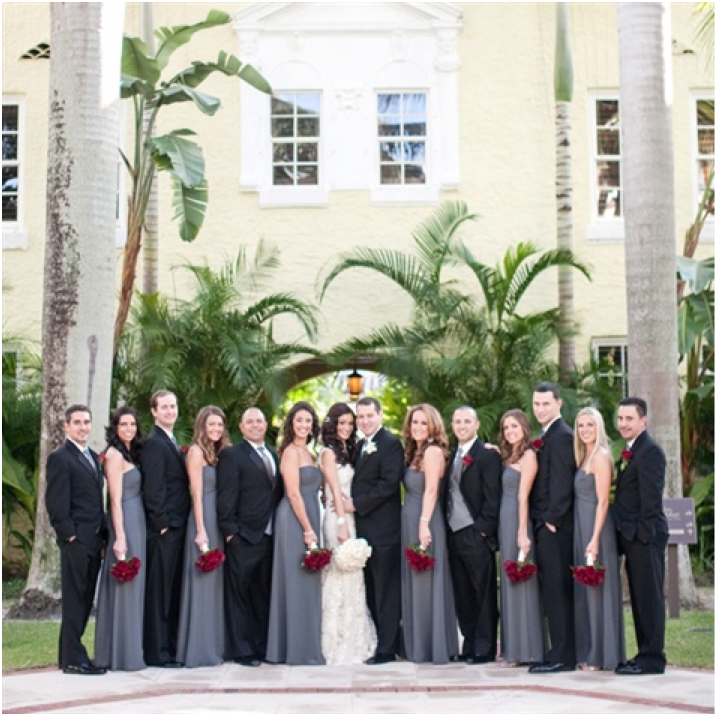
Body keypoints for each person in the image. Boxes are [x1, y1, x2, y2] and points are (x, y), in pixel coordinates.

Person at [217, 407, 283, 668]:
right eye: (250, 422)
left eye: (259, 421)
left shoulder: (273, 455)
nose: (255, 425)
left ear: (266, 425)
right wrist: (231, 533)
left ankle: (261, 646)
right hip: (243, 536)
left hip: (269, 536)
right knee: (239, 597)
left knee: (261, 595)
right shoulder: (232, 455)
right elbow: (226, 496)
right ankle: (242, 651)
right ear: (241, 427)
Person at [45, 404, 107, 675]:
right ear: (66, 426)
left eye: (86, 422)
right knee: (74, 600)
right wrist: (70, 536)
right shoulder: (60, 458)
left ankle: (69, 655)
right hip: (76, 542)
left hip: (94, 541)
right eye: (77, 422)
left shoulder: (92, 456)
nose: (83, 427)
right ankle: (73, 659)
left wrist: (102, 537)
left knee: (85, 598)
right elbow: (56, 503)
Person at [342, 396, 404, 665]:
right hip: (363, 530)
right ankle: (379, 640)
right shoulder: (359, 446)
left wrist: (356, 503)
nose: (365, 421)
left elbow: (388, 485)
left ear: (380, 415)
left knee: (386, 590)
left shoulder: (390, 444)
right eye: (361, 416)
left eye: (369, 415)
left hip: (384, 530)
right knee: (370, 589)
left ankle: (387, 649)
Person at [266, 401, 325, 665]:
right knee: (295, 579)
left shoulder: (309, 453)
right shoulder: (290, 452)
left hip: (310, 514)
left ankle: (306, 644)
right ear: (291, 423)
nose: (303, 425)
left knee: (307, 580)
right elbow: (292, 493)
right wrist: (308, 529)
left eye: (308, 421)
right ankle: (292, 648)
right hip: (294, 520)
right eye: (299, 420)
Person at [613, 397, 668, 676]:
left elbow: (651, 500)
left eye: (629, 419)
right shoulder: (632, 449)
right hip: (632, 537)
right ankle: (644, 653)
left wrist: (643, 537)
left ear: (643, 421)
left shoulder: (650, 451)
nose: (623, 424)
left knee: (649, 599)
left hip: (645, 537)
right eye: (620, 418)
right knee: (639, 598)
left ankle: (653, 659)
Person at [319, 403, 377, 665]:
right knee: (338, 573)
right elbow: (333, 489)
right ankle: (335, 641)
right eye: (341, 423)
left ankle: (356, 637)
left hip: (351, 516)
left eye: (350, 424)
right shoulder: (328, 452)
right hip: (337, 518)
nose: (346, 428)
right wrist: (342, 521)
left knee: (354, 577)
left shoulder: (350, 450)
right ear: (332, 425)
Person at [400, 403, 458, 664]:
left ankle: (429, 646)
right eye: (415, 422)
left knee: (426, 580)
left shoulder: (433, 452)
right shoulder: (416, 452)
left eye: (424, 423)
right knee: (415, 580)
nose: (418, 427)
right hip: (411, 518)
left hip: (425, 519)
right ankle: (417, 644)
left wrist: (423, 524)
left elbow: (432, 490)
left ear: (433, 426)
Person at [445, 406, 501, 665]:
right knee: (463, 593)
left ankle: (484, 648)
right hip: (453, 534)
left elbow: (493, 498)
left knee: (482, 593)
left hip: (475, 533)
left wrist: (482, 530)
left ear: (477, 424)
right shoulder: (451, 456)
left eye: (467, 421)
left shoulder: (486, 455)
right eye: (457, 421)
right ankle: (469, 644)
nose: (462, 425)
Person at [176, 406, 231, 667]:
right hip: (204, 519)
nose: (216, 429)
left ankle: (216, 645)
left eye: (219, 425)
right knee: (202, 582)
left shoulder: (219, 452)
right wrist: (200, 530)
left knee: (216, 584)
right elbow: (196, 494)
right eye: (211, 425)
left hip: (218, 520)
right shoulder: (196, 452)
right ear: (202, 426)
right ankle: (199, 649)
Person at [528, 382, 577, 674]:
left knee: (558, 591)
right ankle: (556, 651)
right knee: (551, 590)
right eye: (536, 404)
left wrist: (551, 521)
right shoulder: (547, 435)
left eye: (546, 403)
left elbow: (562, 483)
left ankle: (563, 656)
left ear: (558, 404)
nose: (540, 409)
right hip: (545, 525)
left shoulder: (561, 437)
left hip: (555, 528)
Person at [573, 407, 625, 671]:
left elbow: (604, 502)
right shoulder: (583, 456)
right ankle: (588, 650)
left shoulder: (601, 456)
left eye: (589, 425)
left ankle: (601, 655)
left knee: (597, 591)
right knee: (586, 592)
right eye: (581, 425)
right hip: (580, 527)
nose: (584, 430)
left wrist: (594, 539)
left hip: (596, 529)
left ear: (599, 427)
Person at [141, 390, 190, 668]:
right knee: (160, 592)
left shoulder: (170, 440)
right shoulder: (153, 444)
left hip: (178, 526)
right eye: (164, 407)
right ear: (154, 411)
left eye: (173, 406)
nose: (170, 411)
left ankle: (169, 649)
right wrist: (161, 523)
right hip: (165, 529)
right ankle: (157, 653)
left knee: (171, 590)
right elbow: (153, 487)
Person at [94, 406, 146, 672]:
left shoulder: (129, 453)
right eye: (123, 424)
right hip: (125, 522)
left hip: (138, 521)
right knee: (125, 585)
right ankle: (121, 654)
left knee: (134, 587)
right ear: (115, 428)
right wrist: (120, 536)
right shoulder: (113, 455)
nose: (129, 429)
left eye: (132, 424)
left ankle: (130, 649)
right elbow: (114, 500)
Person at [497, 409, 545, 666]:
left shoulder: (529, 456)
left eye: (514, 426)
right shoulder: (509, 455)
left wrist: (522, 532)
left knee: (523, 580)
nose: (510, 431)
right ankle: (513, 649)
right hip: (504, 521)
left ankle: (529, 649)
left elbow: (523, 496)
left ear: (525, 428)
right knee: (509, 581)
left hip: (518, 520)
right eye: (506, 428)